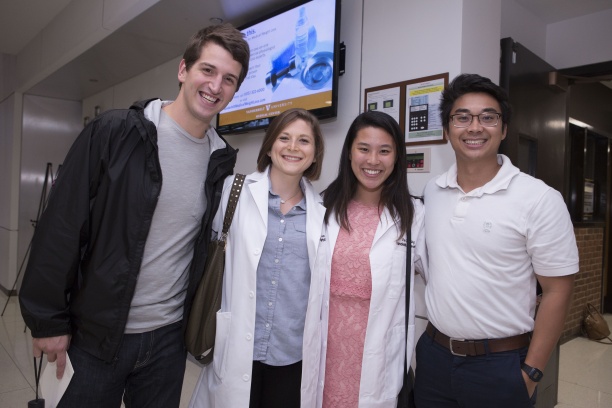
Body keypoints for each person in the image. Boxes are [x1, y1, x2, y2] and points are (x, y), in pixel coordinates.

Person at [18, 23, 249, 408]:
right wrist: (47, 321)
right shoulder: (115, 133)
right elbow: (61, 225)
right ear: (183, 70)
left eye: (229, 79)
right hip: (95, 335)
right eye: (207, 70)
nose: (215, 86)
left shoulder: (220, 161)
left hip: (167, 343)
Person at [413, 73, 579, 408]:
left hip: (500, 365)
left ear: (503, 129)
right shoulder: (433, 191)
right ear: (447, 130)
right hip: (433, 357)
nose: (474, 127)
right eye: (462, 117)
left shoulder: (539, 199)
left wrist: (531, 372)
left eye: (488, 117)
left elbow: (558, 290)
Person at [189, 108, 327, 408]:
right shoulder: (233, 192)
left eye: (304, 141)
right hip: (236, 348)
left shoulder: (324, 214)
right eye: (284, 137)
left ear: (315, 153)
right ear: (270, 145)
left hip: (292, 357)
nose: (293, 147)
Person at [318, 110, 426, 407]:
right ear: (350, 152)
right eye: (364, 148)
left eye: (384, 151)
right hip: (326, 347)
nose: (373, 161)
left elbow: (442, 278)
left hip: (378, 350)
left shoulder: (416, 215)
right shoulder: (323, 207)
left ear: (397, 157)